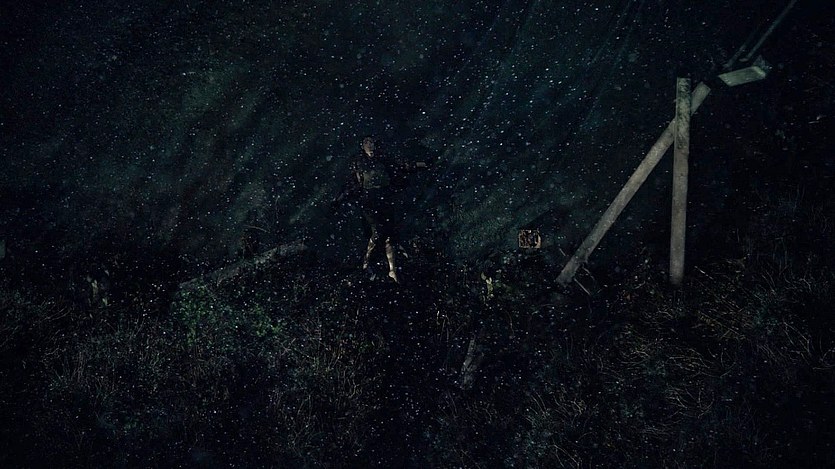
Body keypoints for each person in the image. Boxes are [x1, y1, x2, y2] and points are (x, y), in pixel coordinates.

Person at [333, 136, 426, 283]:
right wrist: (339, 199)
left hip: (385, 197)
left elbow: (401, 166)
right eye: (366, 143)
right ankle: (366, 260)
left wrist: (421, 164)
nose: (370, 145)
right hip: (370, 200)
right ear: (362, 146)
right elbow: (352, 182)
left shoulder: (383, 159)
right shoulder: (359, 162)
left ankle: (392, 269)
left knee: (390, 234)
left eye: (371, 142)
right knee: (378, 232)